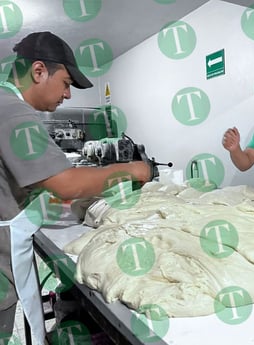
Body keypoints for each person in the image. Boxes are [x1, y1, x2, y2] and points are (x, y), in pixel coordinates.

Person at [0, 32, 152, 343]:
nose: (68, 95)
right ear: (39, 71)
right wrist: (133, 169)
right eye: (67, 83)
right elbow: (66, 184)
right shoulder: (14, 111)